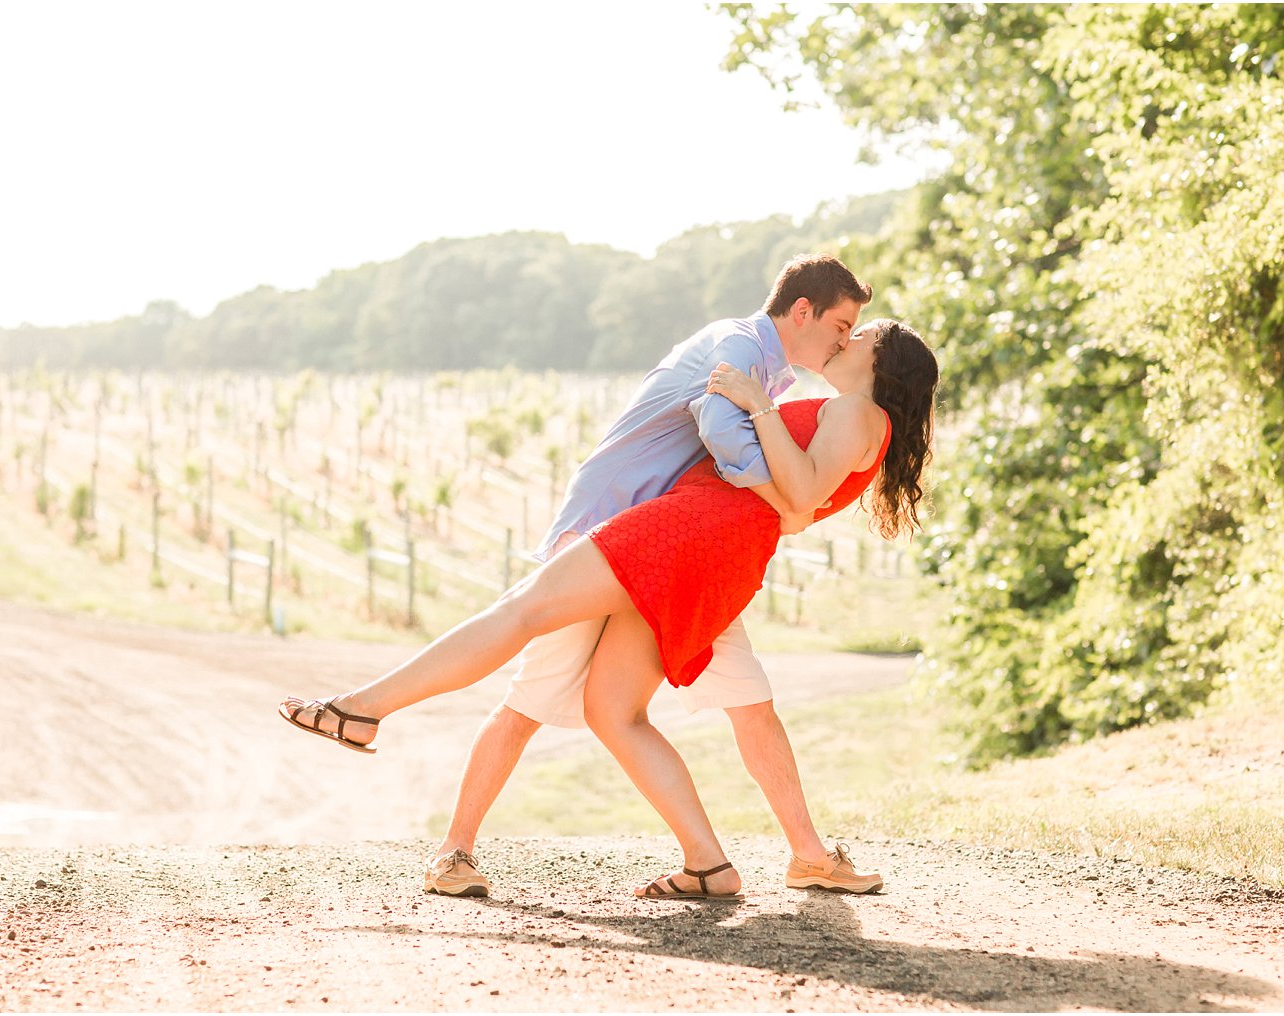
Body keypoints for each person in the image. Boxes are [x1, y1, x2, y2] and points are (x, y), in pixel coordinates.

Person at [281, 256, 926, 898]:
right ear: (805, 311)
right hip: (675, 540)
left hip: (670, 540)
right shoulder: (745, 354)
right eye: (845, 325)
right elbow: (768, 475)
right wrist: (785, 492)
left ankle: (377, 730)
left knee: (527, 653)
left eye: (857, 335)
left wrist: (777, 466)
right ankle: (739, 859)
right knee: (647, 707)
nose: (846, 339)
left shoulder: (786, 388)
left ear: (878, 367)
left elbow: (762, 466)